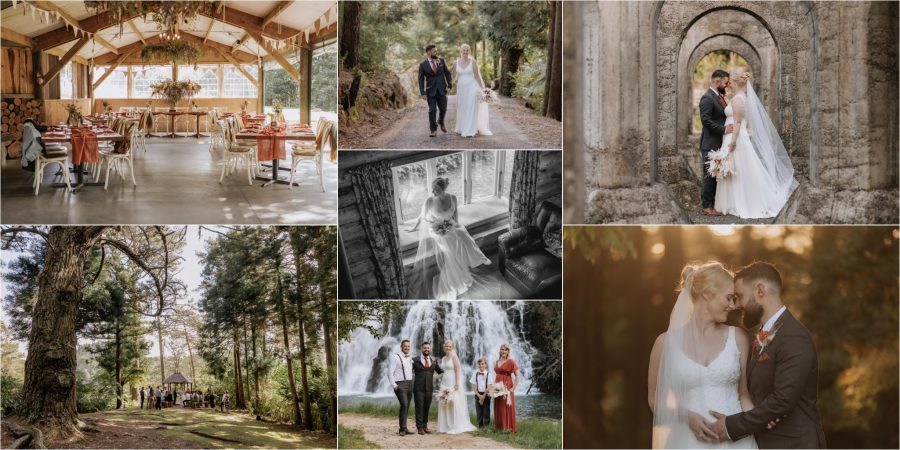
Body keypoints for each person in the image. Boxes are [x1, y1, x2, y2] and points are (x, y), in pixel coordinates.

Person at [709, 262, 826, 448]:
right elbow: (758, 394)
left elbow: (783, 400)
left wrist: (730, 426)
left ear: (760, 291)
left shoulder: (794, 336)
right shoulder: (765, 334)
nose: (736, 305)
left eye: (739, 296)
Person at [648, 262, 757, 449]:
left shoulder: (738, 337)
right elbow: (654, 397)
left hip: (735, 442)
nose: (733, 306)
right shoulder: (665, 343)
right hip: (685, 441)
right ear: (707, 293)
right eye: (729, 298)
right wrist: (686, 416)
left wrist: (761, 419)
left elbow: (744, 394)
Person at [712, 73, 798, 219]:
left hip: (736, 139)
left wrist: (733, 142)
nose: (728, 85)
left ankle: (741, 202)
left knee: (737, 168)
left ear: (738, 83)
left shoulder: (739, 99)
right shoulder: (738, 98)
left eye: (731, 82)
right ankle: (730, 202)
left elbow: (738, 122)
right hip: (731, 137)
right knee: (733, 168)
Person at [406, 177, 492, 300]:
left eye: (436, 189)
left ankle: (480, 257)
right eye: (433, 189)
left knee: (463, 233)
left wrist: (456, 224)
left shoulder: (453, 198)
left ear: (443, 189)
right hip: (437, 229)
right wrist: (414, 228)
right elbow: (422, 217)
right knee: (451, 247)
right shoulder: (429, 201)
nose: (433, 191)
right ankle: (457, 275)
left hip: (450, 225)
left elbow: (455, 213)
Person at [698, 69, 732, 216]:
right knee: (709, 175)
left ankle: (713, 204)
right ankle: (706, 206)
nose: (726, 85)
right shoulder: (707, 98)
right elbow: (705, 120)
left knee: (715, 174)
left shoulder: (718, 96)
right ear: (717, 81)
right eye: (725, 82)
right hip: (710, 143)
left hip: (719, 142)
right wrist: (723, 129)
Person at [436, 340, 476, 434]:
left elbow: (458, 371)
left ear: (452, 348)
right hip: (445, 381)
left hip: (453, 381)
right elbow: (443, 372)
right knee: (444, 401)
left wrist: (457, 384)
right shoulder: (443, 358)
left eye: (450, 347)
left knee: (454, 402)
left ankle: (454, 425)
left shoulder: (454, 357)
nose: (448, 348)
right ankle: (445, 426)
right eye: (447, 346)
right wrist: (434, 377)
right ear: (444, 347)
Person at [453, 43, 492, 137]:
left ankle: (469, 130)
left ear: (469, 51)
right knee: (462, 107)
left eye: (467, 50)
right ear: (460, 51)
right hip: (461, 88)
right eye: (464, 50)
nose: (465, 52)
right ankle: (462, 127)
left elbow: (477, 77)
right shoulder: (455, 63)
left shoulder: (473, 62)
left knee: (471, 107)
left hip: (472, 87)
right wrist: (447, 85)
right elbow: (453, 77)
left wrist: (484, 89)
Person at [418, 44, 453, 137]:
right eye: (434, 51)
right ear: (429, 52)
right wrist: (422, 93)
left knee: (443, 109)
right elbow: (420, 80)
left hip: (442, 89)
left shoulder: (441, 61)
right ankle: (433, 130)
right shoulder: (423, 65)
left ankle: (441, 121)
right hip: (430, 91)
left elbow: (447, 73)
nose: (436, 52)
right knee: (432, 110)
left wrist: (449, 85)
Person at [411, 341, 443, 435]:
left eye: (428, 348)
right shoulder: (415, 360)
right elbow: (407, 370)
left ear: (430, 349)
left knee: (426, 408)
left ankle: (425, 426)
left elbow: (441, 371)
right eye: (425, 348)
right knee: (419, 408)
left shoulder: (434, 360)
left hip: (429, 388)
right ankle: (419, 427)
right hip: (418, 388)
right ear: (421, 349)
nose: (426, 349)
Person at [388, 339, 414, 436]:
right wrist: (394, 385)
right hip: (400, 384)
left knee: (406, 407)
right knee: (404, 405)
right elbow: (389, 372)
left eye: (408, 346)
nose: (407, 347)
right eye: (405, 346)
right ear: (401, 347)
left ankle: (405, 428)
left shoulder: (410, 357)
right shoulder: (395, 357)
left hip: (410, 383)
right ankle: (402, 429)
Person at [494, 343, 519, 433]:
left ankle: (508, 428)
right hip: (497, 386)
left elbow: (517, 376)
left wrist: (513, 388)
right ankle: (499, 427)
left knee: (505, 406)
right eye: (502, 349)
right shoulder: (497, 361)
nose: (503, 351)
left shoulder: (511, 361)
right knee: (498, 405)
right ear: (500, 350)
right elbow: (497, 374)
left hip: (506, 385)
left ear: (508, 351)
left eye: (505, 349)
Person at [470, 357, 494, 427]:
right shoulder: (475, 374)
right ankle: (480, 425)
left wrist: (483, 396)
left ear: (485, 365)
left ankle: (486, 426)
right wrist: (479, 395)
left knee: (486, 411)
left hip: (486, 394)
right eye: (479, 364)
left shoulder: (488, 374)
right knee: (479, 411)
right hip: (478, 394)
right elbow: (473, 385)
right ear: (478, 365)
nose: (481, 365)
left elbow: (489, 386)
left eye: (483, 364)